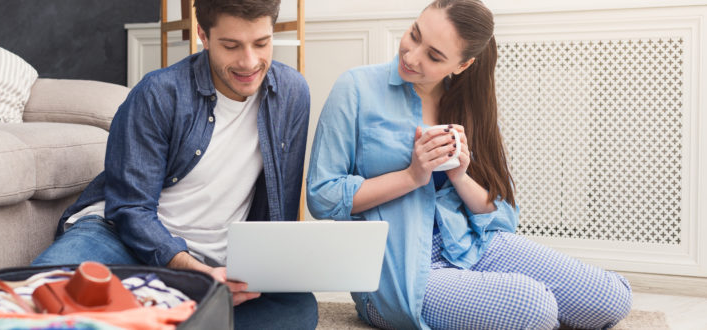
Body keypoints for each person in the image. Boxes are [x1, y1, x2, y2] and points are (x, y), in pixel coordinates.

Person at [306, 0, 632, 329]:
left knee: (610, 298)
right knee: (534, 305)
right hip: (395, 269)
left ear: (462, 65)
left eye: (434, 56)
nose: (411, 56)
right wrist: (411, 176)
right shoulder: (356, 88)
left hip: (471, 245)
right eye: (414, 34)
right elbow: (322, 195)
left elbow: (503, 217)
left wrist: (460, 175)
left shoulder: (469, 101)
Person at [32, 0, 316, 328]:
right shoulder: (159, 93)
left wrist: (255, 271)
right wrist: (195, 274)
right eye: (231, 45)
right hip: (122, 238)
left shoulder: (292, 94)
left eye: (261, 43)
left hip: (218, 259)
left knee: (297, 310)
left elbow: (278, 210)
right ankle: (174, 309)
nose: (249, 62)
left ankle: (153, 312)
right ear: (203, 36)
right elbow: (130, 210)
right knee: (40, 293)